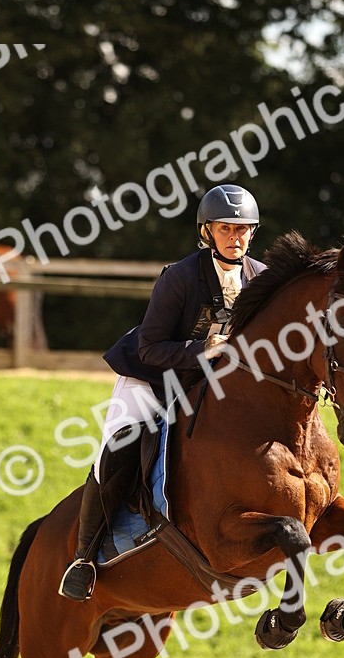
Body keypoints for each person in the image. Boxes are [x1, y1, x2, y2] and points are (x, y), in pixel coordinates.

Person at [59, 183, 266, 601]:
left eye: (242, 229)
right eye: (225, 228)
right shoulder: (181, 277)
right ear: (207, 232)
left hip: (206, 384)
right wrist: (201, 349)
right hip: (152, 376)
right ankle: (83, 559)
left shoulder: (259, 278)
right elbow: (149, 347)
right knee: (116, 449)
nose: (235, 237)